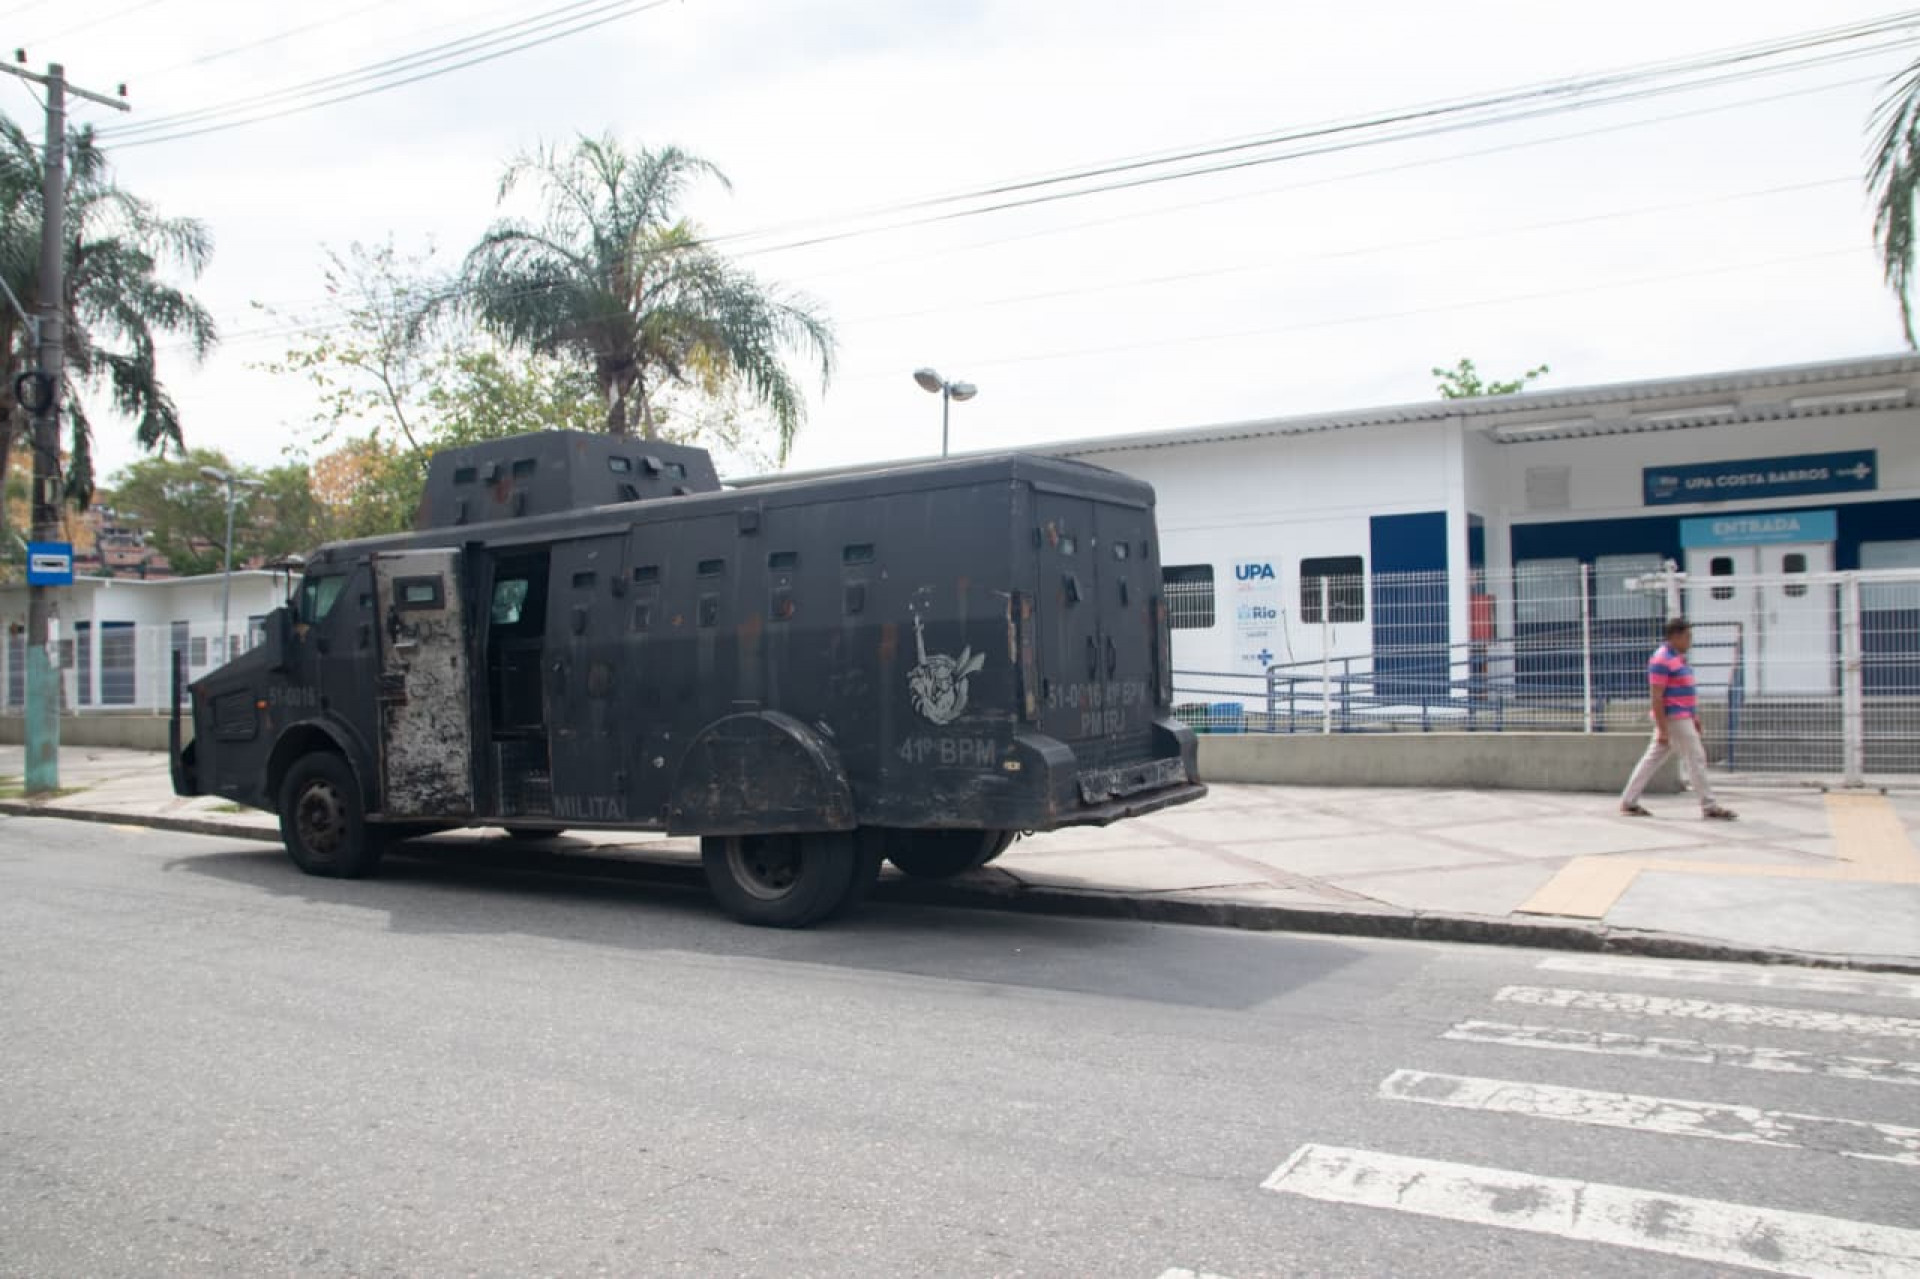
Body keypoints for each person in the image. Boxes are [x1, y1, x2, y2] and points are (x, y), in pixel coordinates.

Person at [1619, 616, 1736, 820]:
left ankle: (1629, 801)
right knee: (1696, 757)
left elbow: (1684, 691)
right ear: (1675, 636)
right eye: (1687, 636)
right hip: (1674, 719)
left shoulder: (1677, 658)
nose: (1690, 641)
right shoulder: (1661, 659)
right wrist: (1664, 728)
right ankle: (1709, 805)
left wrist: (1693, 716)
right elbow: (1657, 696)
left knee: (1653, 758)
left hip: (1682, 717)